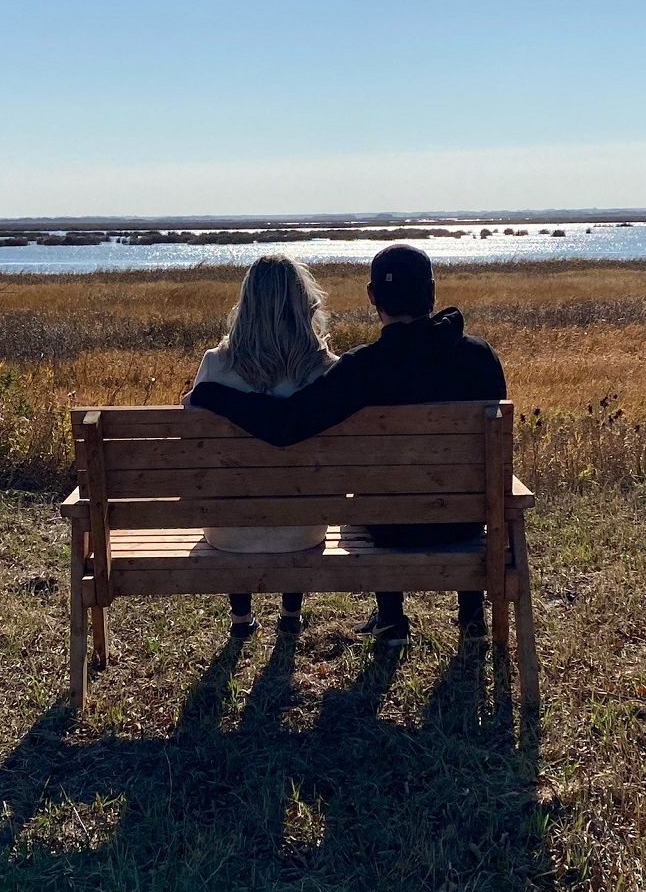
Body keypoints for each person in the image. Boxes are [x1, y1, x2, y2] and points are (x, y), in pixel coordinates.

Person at [190, 244, 506, 646]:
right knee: (453, 482)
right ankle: (472, 618)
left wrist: (213, 396)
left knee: (381, 486)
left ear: (372, 296)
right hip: (467, 523)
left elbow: (286, 425)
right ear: (432, 293)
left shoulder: (363, 368)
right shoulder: (480, 357)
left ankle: (392, 620)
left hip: (389, 527)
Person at [184, 254, 337, 640]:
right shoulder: (326, 370)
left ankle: (240, 618)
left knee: (233, 485)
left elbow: (193, 445)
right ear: (304, 304)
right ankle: (290, 612)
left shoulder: (216, 366)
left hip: (227, 532)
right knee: (296, 485)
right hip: (303, 530)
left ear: (246, 304)